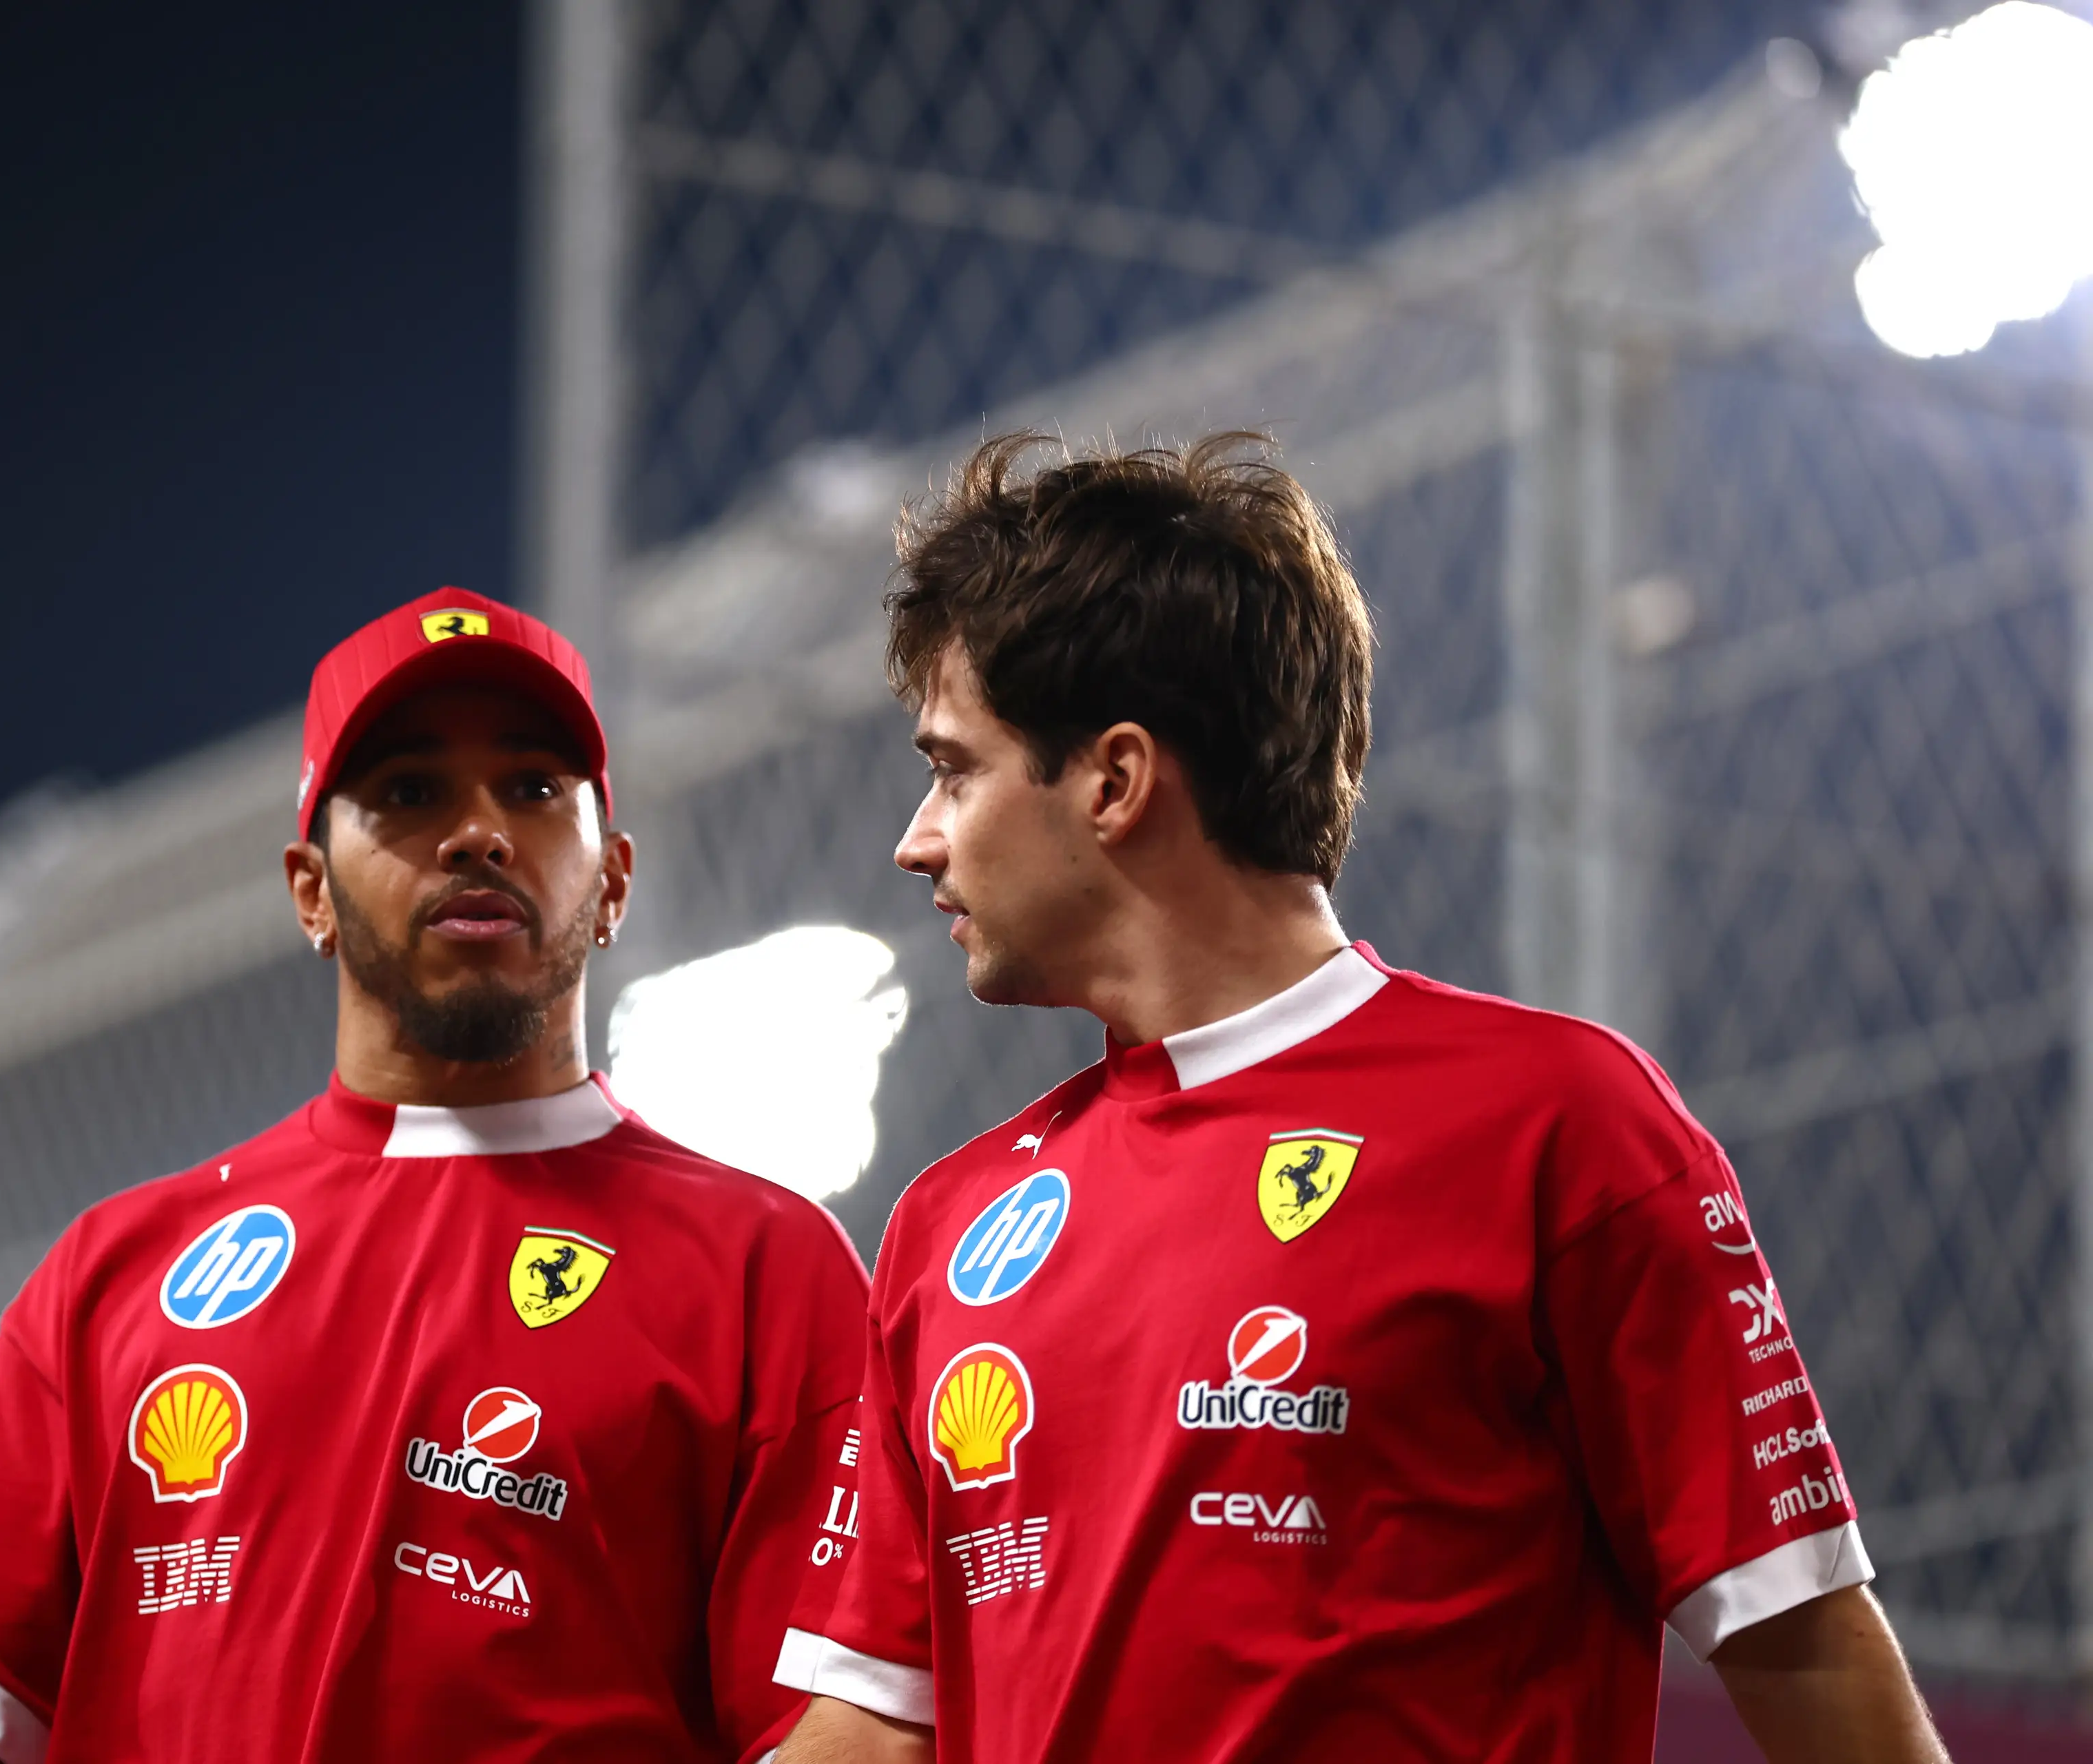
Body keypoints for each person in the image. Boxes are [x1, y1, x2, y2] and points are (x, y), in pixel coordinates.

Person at [0, 588, 869, 1763]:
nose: (479, 831)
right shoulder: (115, 1273)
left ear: (612, 878)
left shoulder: (762, 1263)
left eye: (535, 786)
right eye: (407, 791)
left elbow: (831, 1729)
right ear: (310, 889)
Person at [771, 437, 1949, 1763]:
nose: (917, 838)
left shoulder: (1560, 1125)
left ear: (1114, 780)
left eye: (955, 770)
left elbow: (1809, 1651)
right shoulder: (948, 1225)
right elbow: (872, 1726)